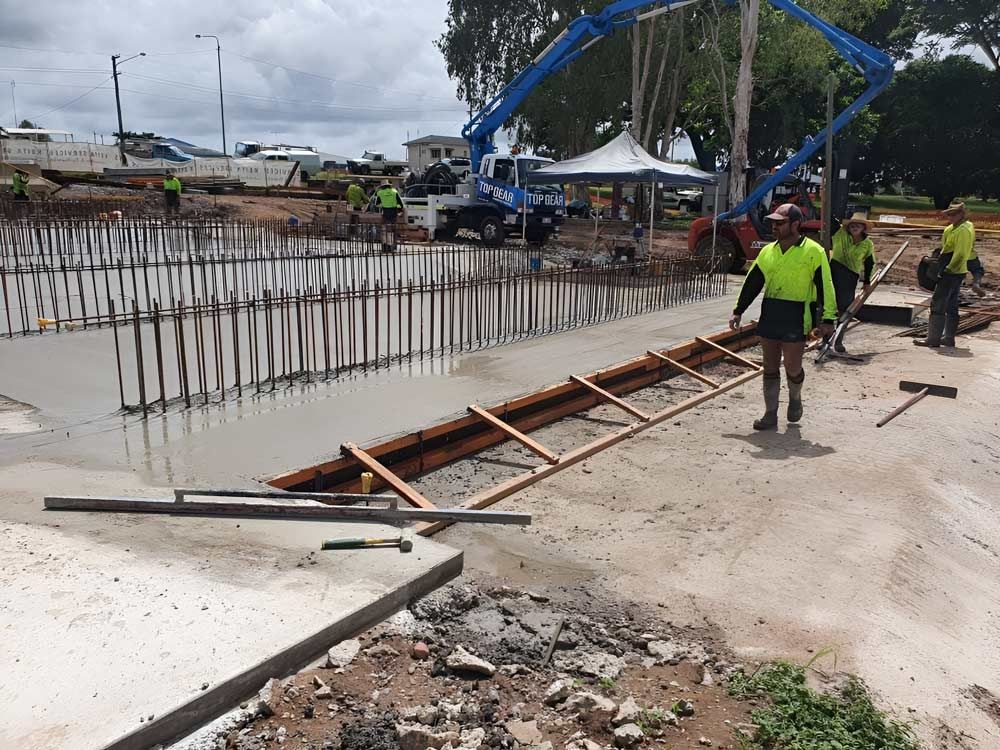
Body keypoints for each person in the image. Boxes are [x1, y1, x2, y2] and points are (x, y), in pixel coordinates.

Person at [729, 203, 836, 430]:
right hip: (771, 312)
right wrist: (739, 310)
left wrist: (828, 319)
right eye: (773, 222)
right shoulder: (768, 251)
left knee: (792, 367)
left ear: (795, 224)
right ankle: (770, 414)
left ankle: (795, 398)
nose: (774, 226)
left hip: (796, 315)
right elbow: (753, 282)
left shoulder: (813, 251)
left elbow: (825, 285)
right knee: (769, 366)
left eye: (780, 222)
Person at [914, 202, 974, 348]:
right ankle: (948, 338)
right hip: (953, 270)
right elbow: (943, 250)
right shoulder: (950, 229)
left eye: (953, 214)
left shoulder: (964, 230)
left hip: (952, 271)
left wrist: (947, 270)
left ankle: (933, 339)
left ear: (962, 214)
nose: (950, 217)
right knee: (952, 305)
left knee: (938, 303)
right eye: (949, 214)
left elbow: (960, 254)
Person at [827, 212, 876, 353]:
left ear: (863, 228)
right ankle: (825, 339)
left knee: (845, 309)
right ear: (847, 227)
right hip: (834, 271)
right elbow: (829, 218)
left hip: (850, 277)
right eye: (852, 225)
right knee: (828, 306)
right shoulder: (840, 233)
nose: (855, 227)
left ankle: (838, 341)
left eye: (858, 225)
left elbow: (869, 262)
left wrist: (867, 281)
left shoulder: (867, 243)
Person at [375, 182, 404, 252]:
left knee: (385, 229)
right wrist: (399, 209)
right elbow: (401, 204)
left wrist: (383, 205)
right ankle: (392, 246)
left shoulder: (380, 193)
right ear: (390, 186)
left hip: (385, 213)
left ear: (383, 187)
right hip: (393, 212)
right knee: (392, 230)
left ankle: (384, 247)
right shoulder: (394, 192)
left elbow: (377, 204)